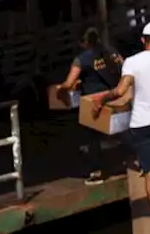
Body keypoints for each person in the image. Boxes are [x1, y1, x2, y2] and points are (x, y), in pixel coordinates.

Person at [95, 20, 150, 233]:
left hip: (143, 123)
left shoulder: (133, 62)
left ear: (143, 40)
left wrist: (102, 99)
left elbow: (119, 90)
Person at [54, 27, 124, 184]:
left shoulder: (82, 59)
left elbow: (69, 83)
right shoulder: (111, 52)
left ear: (83, 43)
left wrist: (61, 89)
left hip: (93, 101)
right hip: (113, 97)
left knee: (92, 137)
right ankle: (129, 161)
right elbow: (125, 68)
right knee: (120, 131)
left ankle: (98, 171)